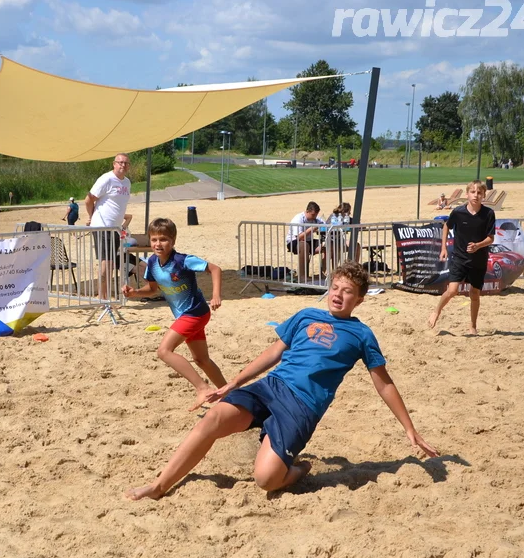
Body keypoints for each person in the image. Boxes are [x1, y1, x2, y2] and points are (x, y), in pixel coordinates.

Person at [126, 261, 439, 501]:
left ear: (359, 300)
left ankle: (298, 467)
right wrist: (234, 383)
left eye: (347, 292)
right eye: (336, 287)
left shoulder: (361, 335)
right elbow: (273, 352)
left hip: (302, 407)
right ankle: (159, 484)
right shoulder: (305, 316)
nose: (339, 295)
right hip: (271, 387)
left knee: (267, 480)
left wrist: (409, 428)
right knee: (213, 418)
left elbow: (383, 383)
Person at [123, 218, 225, 409]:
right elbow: (152, 289)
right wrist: (135, 292)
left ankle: (202, 388)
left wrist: (216, 295)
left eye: (163, 239)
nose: (158, 244)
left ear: (173, 241)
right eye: (154, 240)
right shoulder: (152, 262)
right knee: (201, 359)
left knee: (164, 351)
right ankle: (230, 393)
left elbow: (215, 269)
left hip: (194, 312)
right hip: (186, 315)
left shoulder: (183, 260)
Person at [427, 179, 496, 336]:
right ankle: (436, 311)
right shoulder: (458, 212)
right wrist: (443, 248)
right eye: (473, 192)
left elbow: (491, 238)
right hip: (459, 257)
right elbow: (446, 226)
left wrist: (478, 245)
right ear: (467, 194)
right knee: (452, 291)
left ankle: (472, 326)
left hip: (478, 260)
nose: (476, 195)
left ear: (484, 195)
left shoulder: (488, 214)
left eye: (479, 192)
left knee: (475, 294)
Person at [85, 153, 132, 300]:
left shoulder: (127, 182)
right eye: (120, 162)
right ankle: (102, 296)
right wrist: (91, 217)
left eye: (125, 163)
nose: (122, 165)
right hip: (102, 225)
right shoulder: (107, 179)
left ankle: (105, 294)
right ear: (114, 164)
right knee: (106, 262)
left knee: (111, 262)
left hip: (115, 228)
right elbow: (88, 199)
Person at [285, 201, 325, 281]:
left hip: (309, 241)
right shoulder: (298, 219)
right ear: (307, 211)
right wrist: (310, 229)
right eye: (313, 215)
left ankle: (323, 273)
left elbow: (324, 225)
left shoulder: (316, 219)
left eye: (316, 215)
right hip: (294, 241)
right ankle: (302, 276)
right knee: (304, 245)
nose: (315, 217)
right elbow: (299, 237)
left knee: (327, 245)